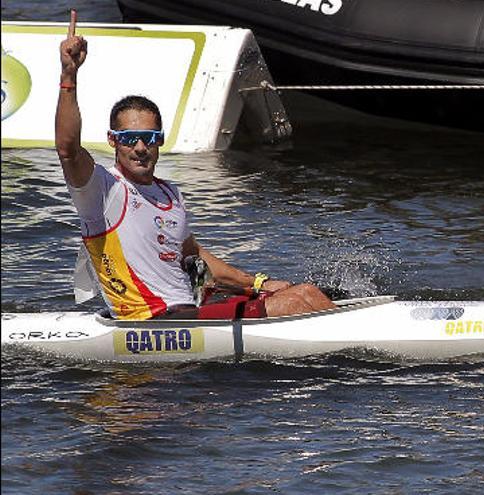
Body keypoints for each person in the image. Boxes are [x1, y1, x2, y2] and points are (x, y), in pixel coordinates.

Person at [57, 11, 336, 320]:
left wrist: (258, 283)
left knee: (305, 292)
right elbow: (68, 150)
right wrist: (69, 76)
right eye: (130, 138)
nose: (139, 147)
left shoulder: (170, 194)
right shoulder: (101, 191)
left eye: (148, 137)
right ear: (113, 140)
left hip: (190, 308)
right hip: (150, 321)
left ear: (160, 140)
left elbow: (195, 258)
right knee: (293, 305)